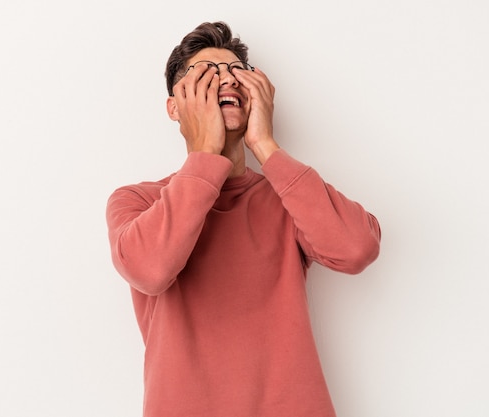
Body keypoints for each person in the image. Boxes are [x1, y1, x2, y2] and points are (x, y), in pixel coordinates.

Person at [106, 21, 381, 417]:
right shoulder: (139, 201)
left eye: (236, 71)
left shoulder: (288, 196)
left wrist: (265, 145)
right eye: (204, 75)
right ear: (174, 106)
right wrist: (205, 150)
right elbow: (151, 268)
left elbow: (356, 249)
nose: (225, 80)